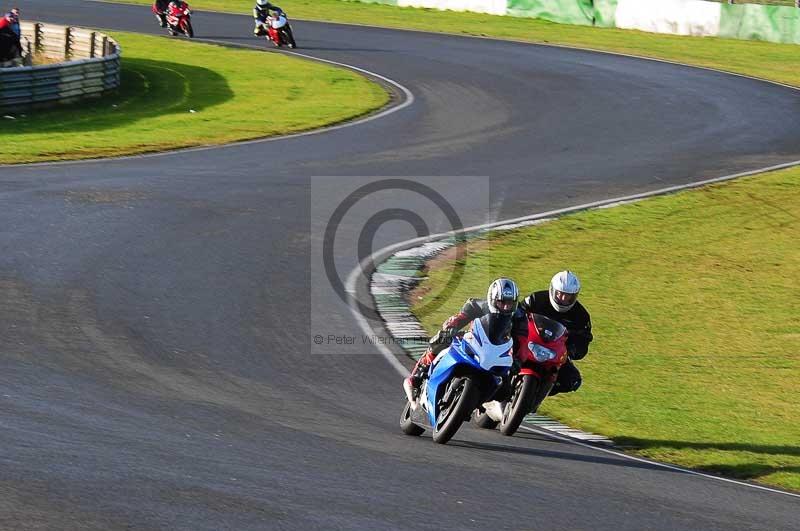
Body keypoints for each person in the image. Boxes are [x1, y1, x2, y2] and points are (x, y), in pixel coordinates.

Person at [403, 278, 525, 402]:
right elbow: (460, 317)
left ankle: (485, 405)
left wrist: (519, 360)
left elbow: (523, 341)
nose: (505, 307)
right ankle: (416, 377)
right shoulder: (478, 305)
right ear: (492, 300)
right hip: (473, 340)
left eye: (509, 303)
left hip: (496, 353)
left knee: (505, 391)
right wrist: (451, 327)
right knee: (442, 339)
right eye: (501, 302)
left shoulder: (519, 318)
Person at [519, 271, 593, 396]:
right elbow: (517, 314)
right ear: (552, 290)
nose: (563, 299)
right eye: (560, 294)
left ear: (575, 296)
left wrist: (571, 350)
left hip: (554, 353)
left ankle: (538, 394)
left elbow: (584, 340)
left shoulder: (581, 316)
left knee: (572, 380)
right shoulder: (535, 299)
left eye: (568, 296)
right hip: (528, 342)